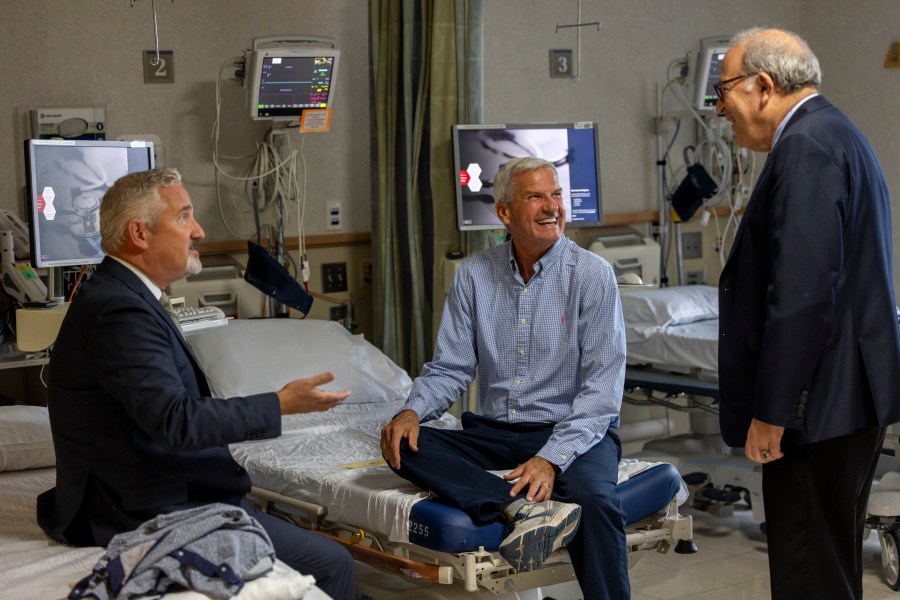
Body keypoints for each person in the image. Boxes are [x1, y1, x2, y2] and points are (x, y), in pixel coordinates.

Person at [36, 168, 356, 600]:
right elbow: (176, 421)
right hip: (142, 507)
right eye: (184, 217)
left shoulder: (119, 295)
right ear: (140, 234)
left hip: (149, 488)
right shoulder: (120, 312)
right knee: (333, 562)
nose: (200, 231)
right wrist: (280, 403)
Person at [381, 157, 630, 598]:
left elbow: (600, 391)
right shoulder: (475, 275)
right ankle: (515, 507)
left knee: (594, 501)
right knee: (404, 443)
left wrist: (551, 458)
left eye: (556, 195)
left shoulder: (592, 275)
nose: (552, 206)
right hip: (495, 433)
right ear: (504, 213)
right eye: (535, 196)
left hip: (573, 430)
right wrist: (411, 411)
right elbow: (450, 368)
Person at [716, 27, 900, 599]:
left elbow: (801, 295)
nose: (719, 108)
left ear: (763, 86)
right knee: (829, 566)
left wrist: (773, 413)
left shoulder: (806, 147)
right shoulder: (838, 134)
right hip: (844, 400)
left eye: (723, 91)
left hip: (815, 410)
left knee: (808, 576)